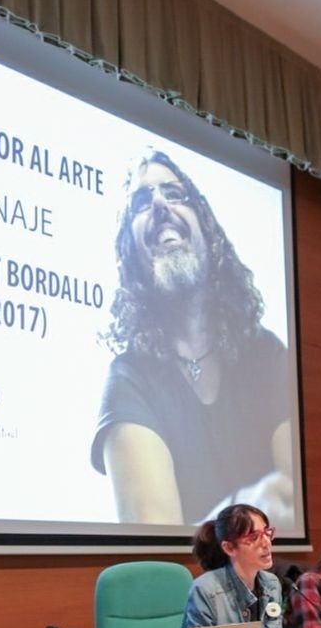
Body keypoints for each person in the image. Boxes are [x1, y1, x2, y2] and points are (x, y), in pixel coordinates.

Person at [91, 149, 294, 527]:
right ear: (131, 255)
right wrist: (243, 508)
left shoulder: (264, 353)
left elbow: (294, 493)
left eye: (174, 193)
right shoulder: (128, 380)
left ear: (207, 229)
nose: (158, 204)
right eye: (140, 202)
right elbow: (157, 540)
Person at [172, 504, 307, 628]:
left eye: (267, 532)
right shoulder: (206, 590)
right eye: (254, 537)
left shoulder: (272, 583)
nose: (266, 542)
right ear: (229, 548)